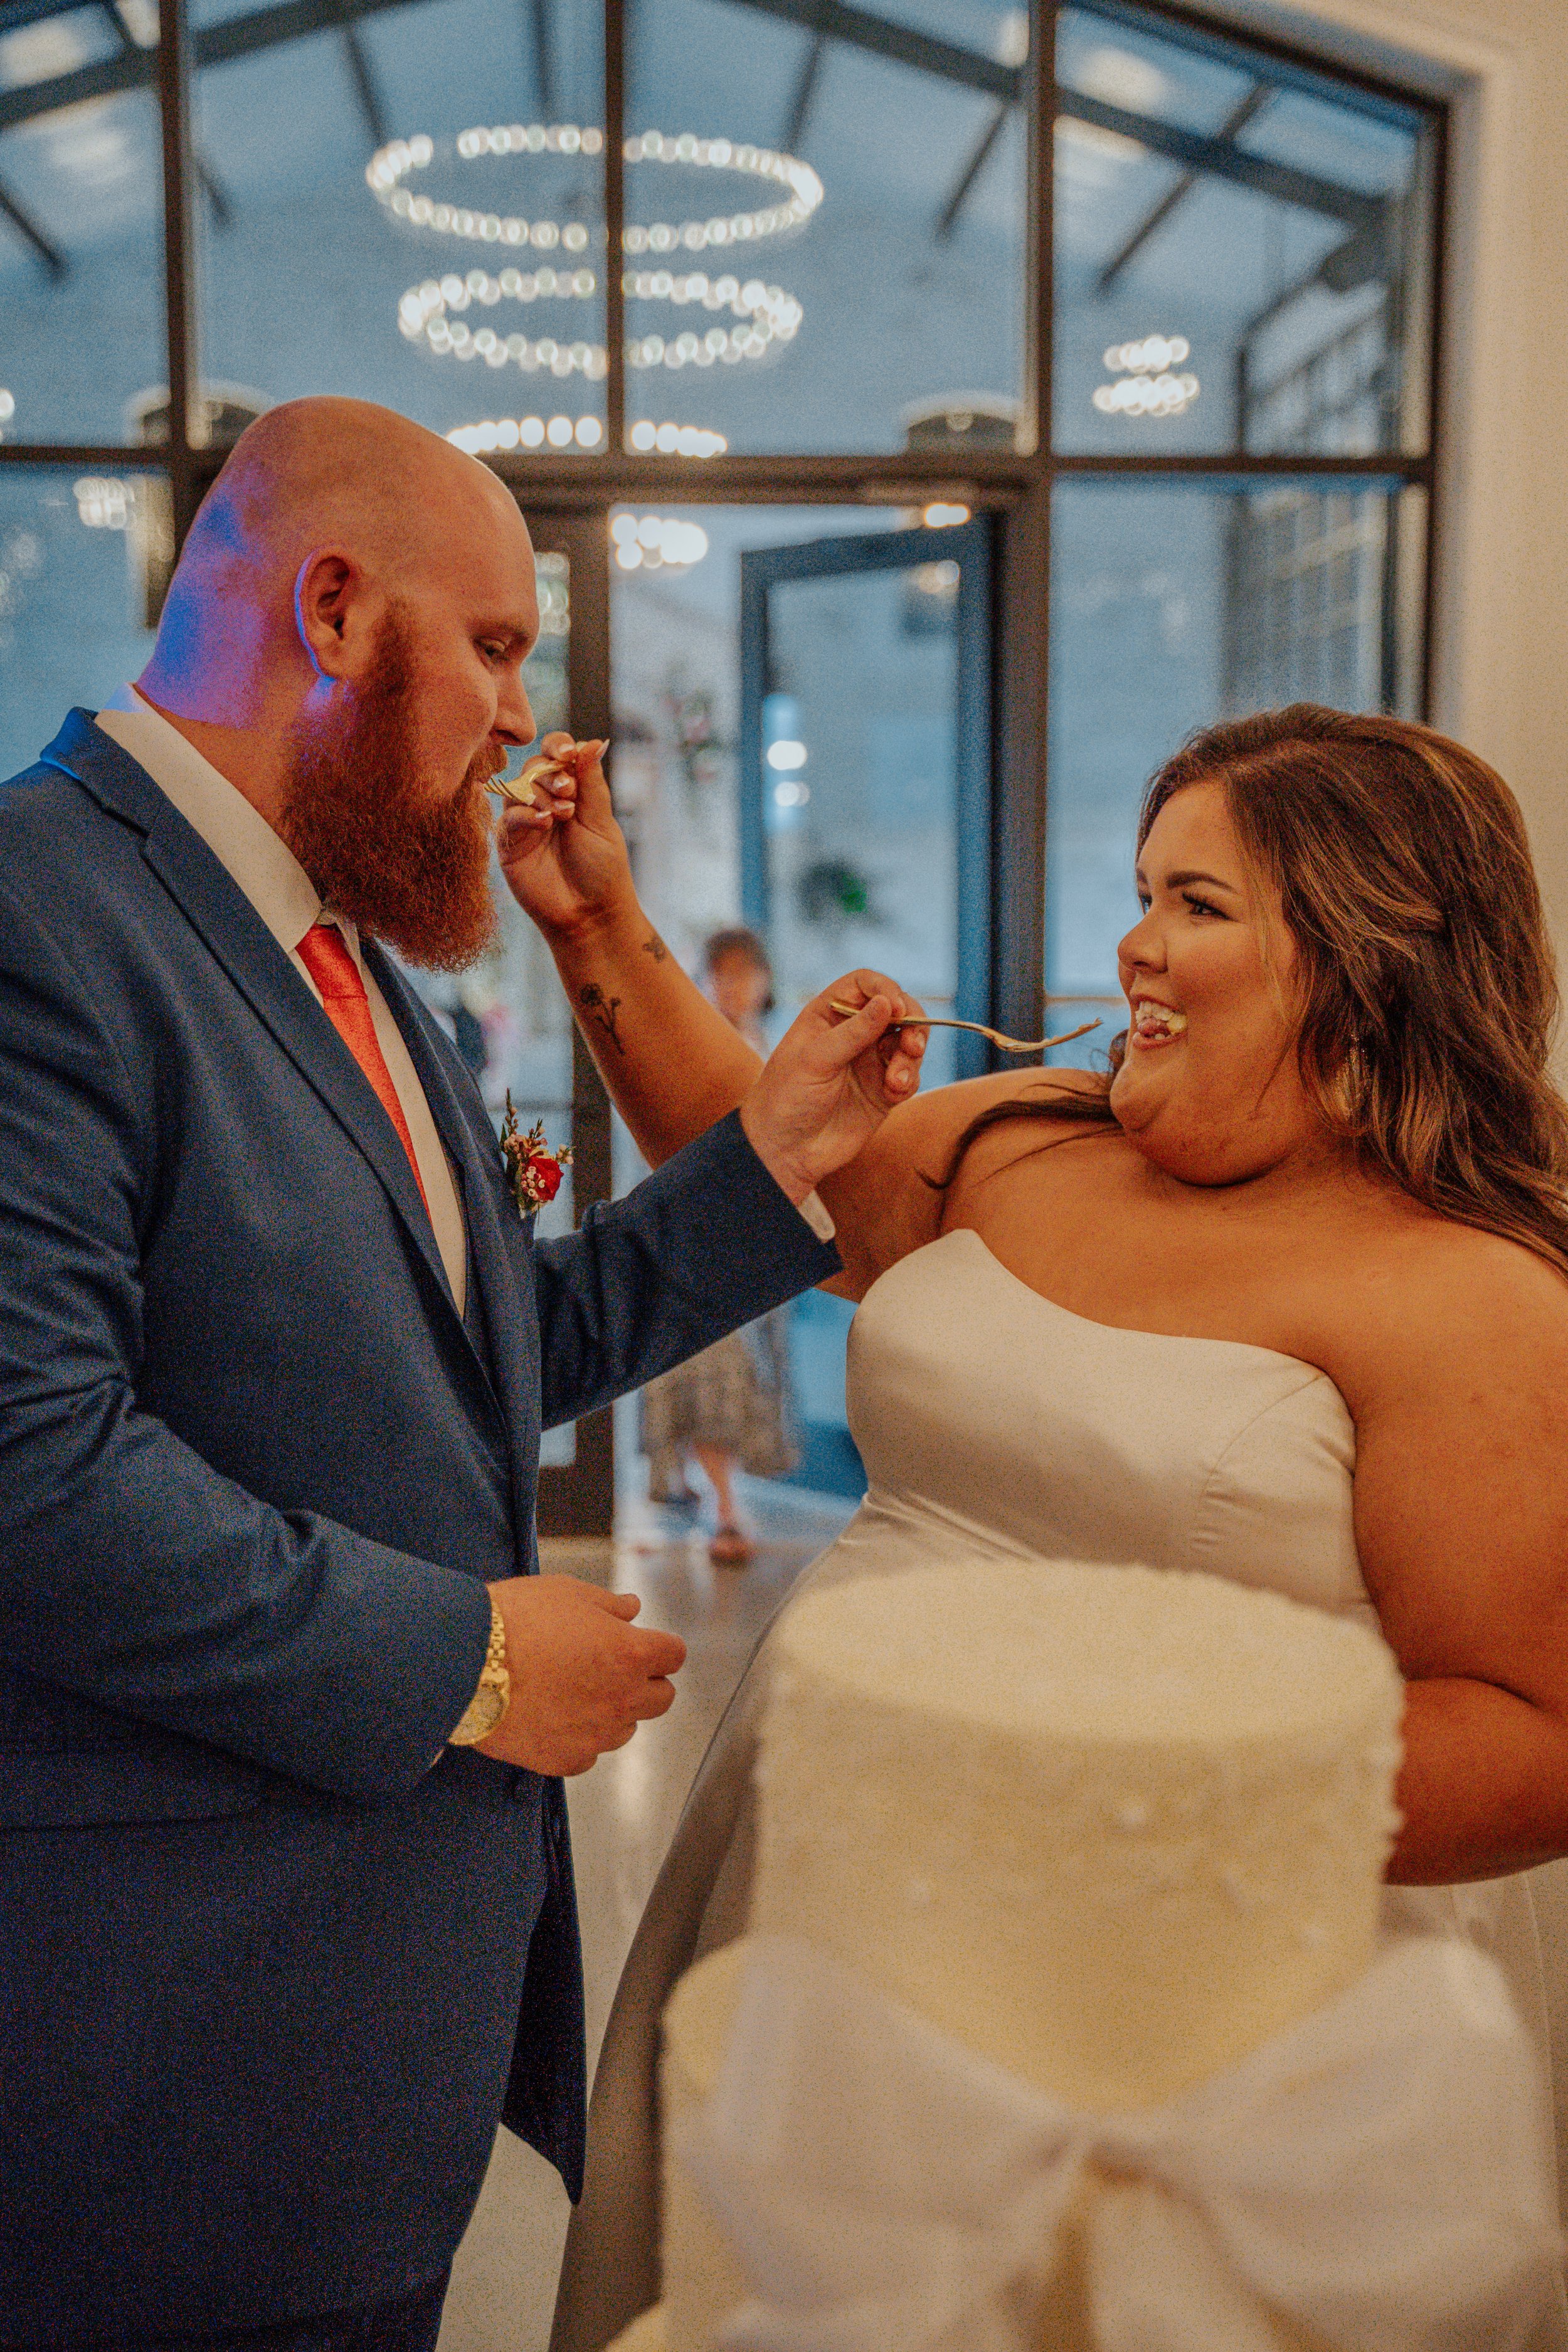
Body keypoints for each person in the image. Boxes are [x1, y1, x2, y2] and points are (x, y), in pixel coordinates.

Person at [0, 395, 929, 2351]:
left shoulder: (365, 976)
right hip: (153, 2058)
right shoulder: (38, 913)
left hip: (350, 2048)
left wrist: (772, 1156)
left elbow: (495, 1348)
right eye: (496, 646)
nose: (525, 718)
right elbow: (34, 1473)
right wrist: (471, 1658)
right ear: (330, 611)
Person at [548, 704, 1568, 2352]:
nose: (1132, 942)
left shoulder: (1467, 1291)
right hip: (828, 1851)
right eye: (1143, 888)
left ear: (1369, 946)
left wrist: (1087, 1822)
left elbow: (1530, 1730)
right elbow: (760, 1160)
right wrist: (595, 918)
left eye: (1196, 902)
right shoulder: (1016, 1135)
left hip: (1180, 1966)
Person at [641, 930, 800, 1562]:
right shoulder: (693, 1046)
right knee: (708, 1365)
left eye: (744, 973)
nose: (733, 986)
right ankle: (724, 1508)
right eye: (721, 973)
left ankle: (694, 1483)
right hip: (701, 1224)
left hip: (761, 1227)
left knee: (732, 1369)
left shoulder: (781, 1050)